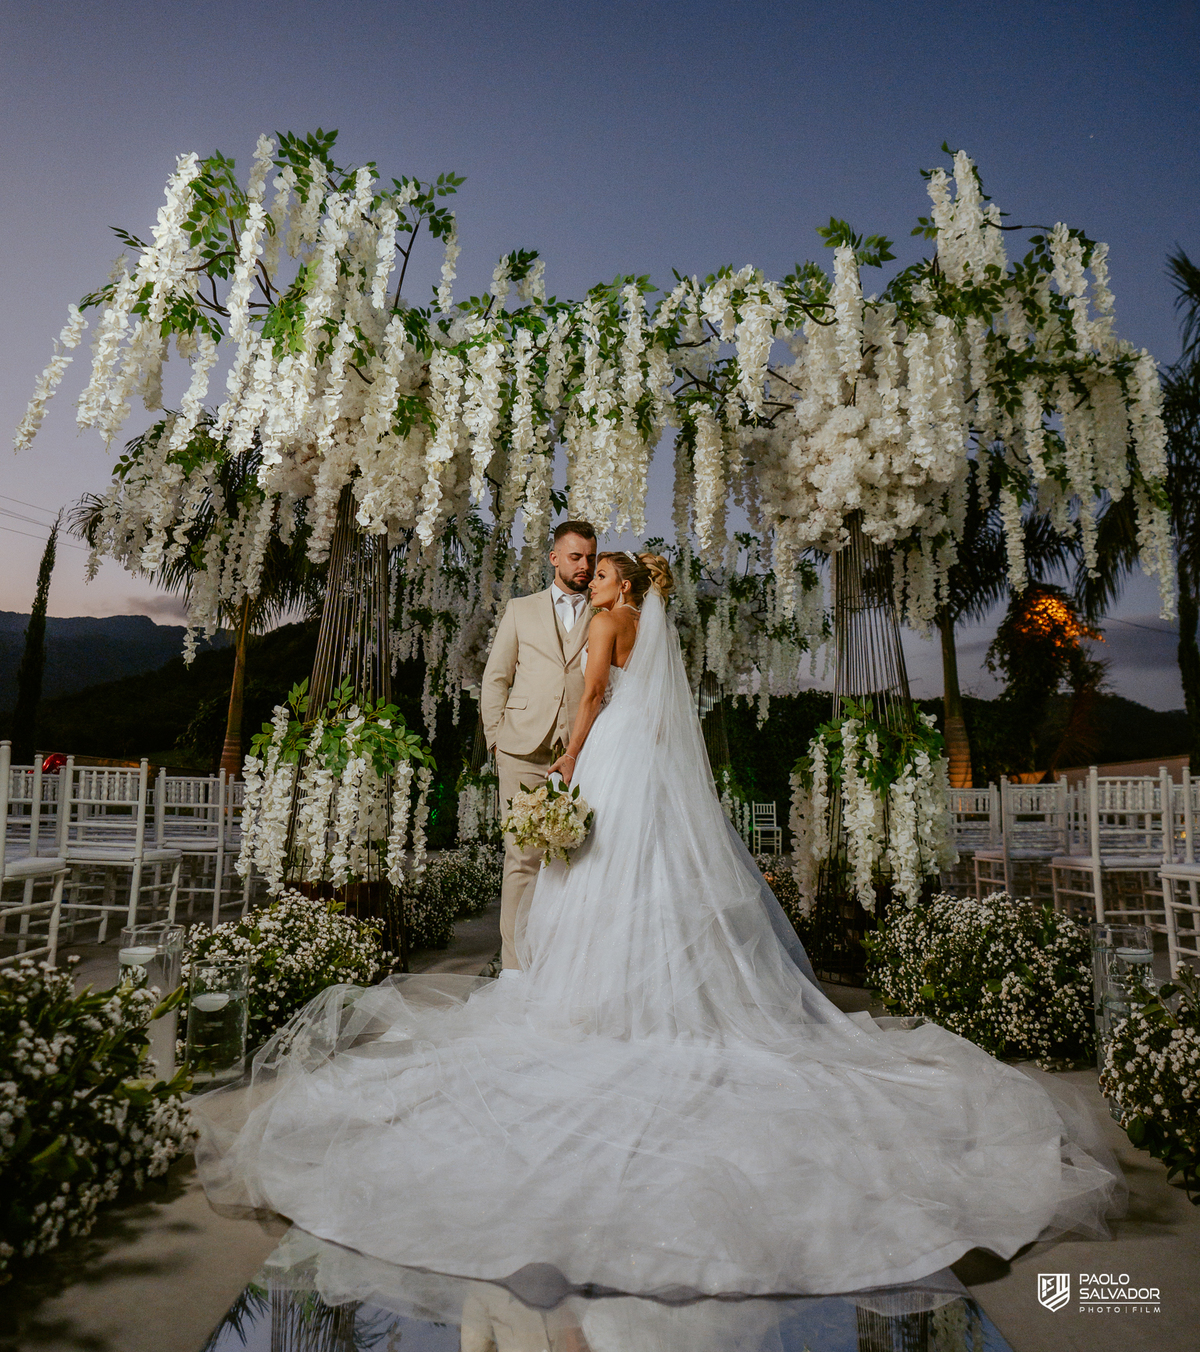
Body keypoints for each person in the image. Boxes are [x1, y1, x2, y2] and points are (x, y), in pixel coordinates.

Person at [192, 549, 1123, 1301]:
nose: (591, 579)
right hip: (650, 766)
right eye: (589, 572)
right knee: (646, 882)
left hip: (605, 759)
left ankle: (595, 1007)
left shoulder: (607, 623)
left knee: (591, 880)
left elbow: (591, 700)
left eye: (601, 573)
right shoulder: (652, 633)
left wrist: (565, 768)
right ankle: (658, 1001)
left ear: (622, 588)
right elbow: (660, 718)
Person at [480, 520, 596, 970]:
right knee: (522, 859)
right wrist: (496, 741)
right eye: (575, 557)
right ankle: (514, 970)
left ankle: (563, 971)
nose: (584, 565)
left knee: (579, 861)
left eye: (590, 557)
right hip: (521, 749)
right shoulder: (520, 609)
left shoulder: (605, 609)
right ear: (554, 558)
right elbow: (496, 678)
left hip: (581, 754)